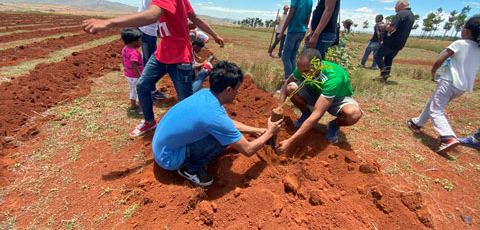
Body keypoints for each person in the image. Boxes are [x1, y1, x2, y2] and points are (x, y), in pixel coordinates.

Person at [81, 0, 225, 137]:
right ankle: (149, 121)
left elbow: (152, 14)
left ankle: (202, 78)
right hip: (162, 52)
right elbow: (194, 17)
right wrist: (215, 35)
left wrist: (109, 23)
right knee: (142, 85)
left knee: (186, 100)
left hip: (179, 55)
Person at [152, 61, 284, 186]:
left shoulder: (206, 94)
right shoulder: (213, 115)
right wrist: (270, 133)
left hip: (162, 147)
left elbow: (226, 123)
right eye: (237, 89)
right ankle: (191, 170)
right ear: (228, 90)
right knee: (222, 140)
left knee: (222, 132)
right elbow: (248, 150)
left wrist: (255, 131)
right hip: (168, 158)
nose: (237, 93)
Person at [406, 15, 480, 154]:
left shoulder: (459, 43)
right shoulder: (477, 48)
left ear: (467, 30)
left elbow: (442, 59)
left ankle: (448, 137)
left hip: (449, 81)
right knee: (434, 102)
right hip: (462, 87)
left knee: (436, 109)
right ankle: (417, 123)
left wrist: (433, 71)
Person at [276, 49, 362, 154]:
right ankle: (306, 114)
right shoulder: (303, 67)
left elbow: (318, 113)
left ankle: (334, 125)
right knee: (290, 88)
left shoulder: (333, 77)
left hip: (336, 98)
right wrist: (279, 107)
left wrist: (291, 141)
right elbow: (287, 83)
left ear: (318, 65)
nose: (302, 74)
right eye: (300, 70)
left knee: (353, 114)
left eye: (306, 71)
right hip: (314, 92)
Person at [278, 0, 313, 80]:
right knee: (292, 57)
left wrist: (282, 32)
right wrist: (305, 28)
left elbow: (291, 14)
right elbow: (308, 17)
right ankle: (295, 80)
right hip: (302, 30)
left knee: (285, 57)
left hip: (293, 30)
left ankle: (287, 81)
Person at [374, 0, 415, 81]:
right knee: (388, 58)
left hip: (391, 41)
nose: (395, 8)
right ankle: (384, 76)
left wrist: (384, 26)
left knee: (377, 55)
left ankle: (384, 71)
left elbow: (392, 28)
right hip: (400, 42)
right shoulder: (411, 15)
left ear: (402, 4)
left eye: (396, 6)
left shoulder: (400, 14)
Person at [137, 0, 166, 100]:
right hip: (148, 30)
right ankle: (150, 90)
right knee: (151, 63)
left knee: (147, 60)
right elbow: (156, 13)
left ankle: (147, 89)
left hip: (145, 29)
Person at [120, 28, 144, 113]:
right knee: (140, 91)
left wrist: (126, 69)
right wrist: (139, 76)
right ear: (134, 42)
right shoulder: (134, 52)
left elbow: (123, 61)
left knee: (132, 89)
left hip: (128, 75)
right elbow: (134, 64)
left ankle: (133, 106)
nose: (140, 42)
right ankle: (141, 109)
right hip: (135, 76)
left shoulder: (125, 49)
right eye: (139, 40)